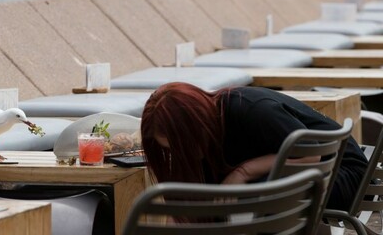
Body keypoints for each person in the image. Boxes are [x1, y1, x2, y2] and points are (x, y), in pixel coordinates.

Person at [141, 82, 367, 211]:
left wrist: (244, 172)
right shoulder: (211, 129)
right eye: (171, 150)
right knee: (209, 191)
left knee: (252, 191)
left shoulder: (252, 109)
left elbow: (312, 157)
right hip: (306, 178)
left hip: (341, 173)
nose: (181, 154)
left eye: (183, 143)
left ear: (195, 123)